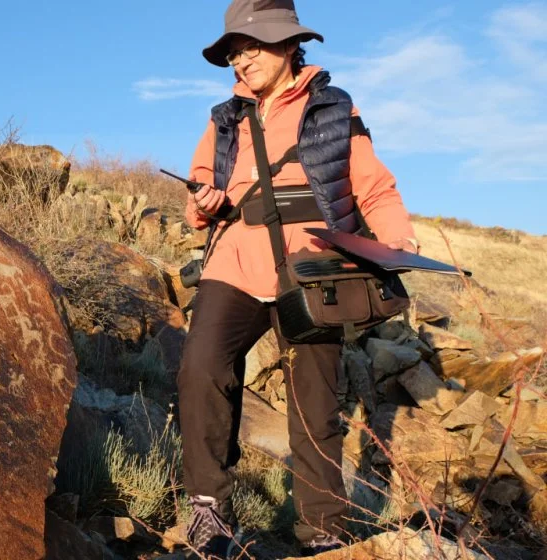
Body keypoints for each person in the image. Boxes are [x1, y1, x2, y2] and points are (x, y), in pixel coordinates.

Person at [177, 0, 418, 556]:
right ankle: (209, 515)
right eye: (235, 52)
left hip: (313, 272)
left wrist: (397, 239)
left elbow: (373, 187)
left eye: (251, 47)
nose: (241, 61)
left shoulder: (333, 109)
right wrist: (205, 199)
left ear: (288, 46)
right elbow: (197, 187)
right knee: (200, 370)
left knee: (314, 401)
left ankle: (323, 531)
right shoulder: (225, 118)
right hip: (233, 264)